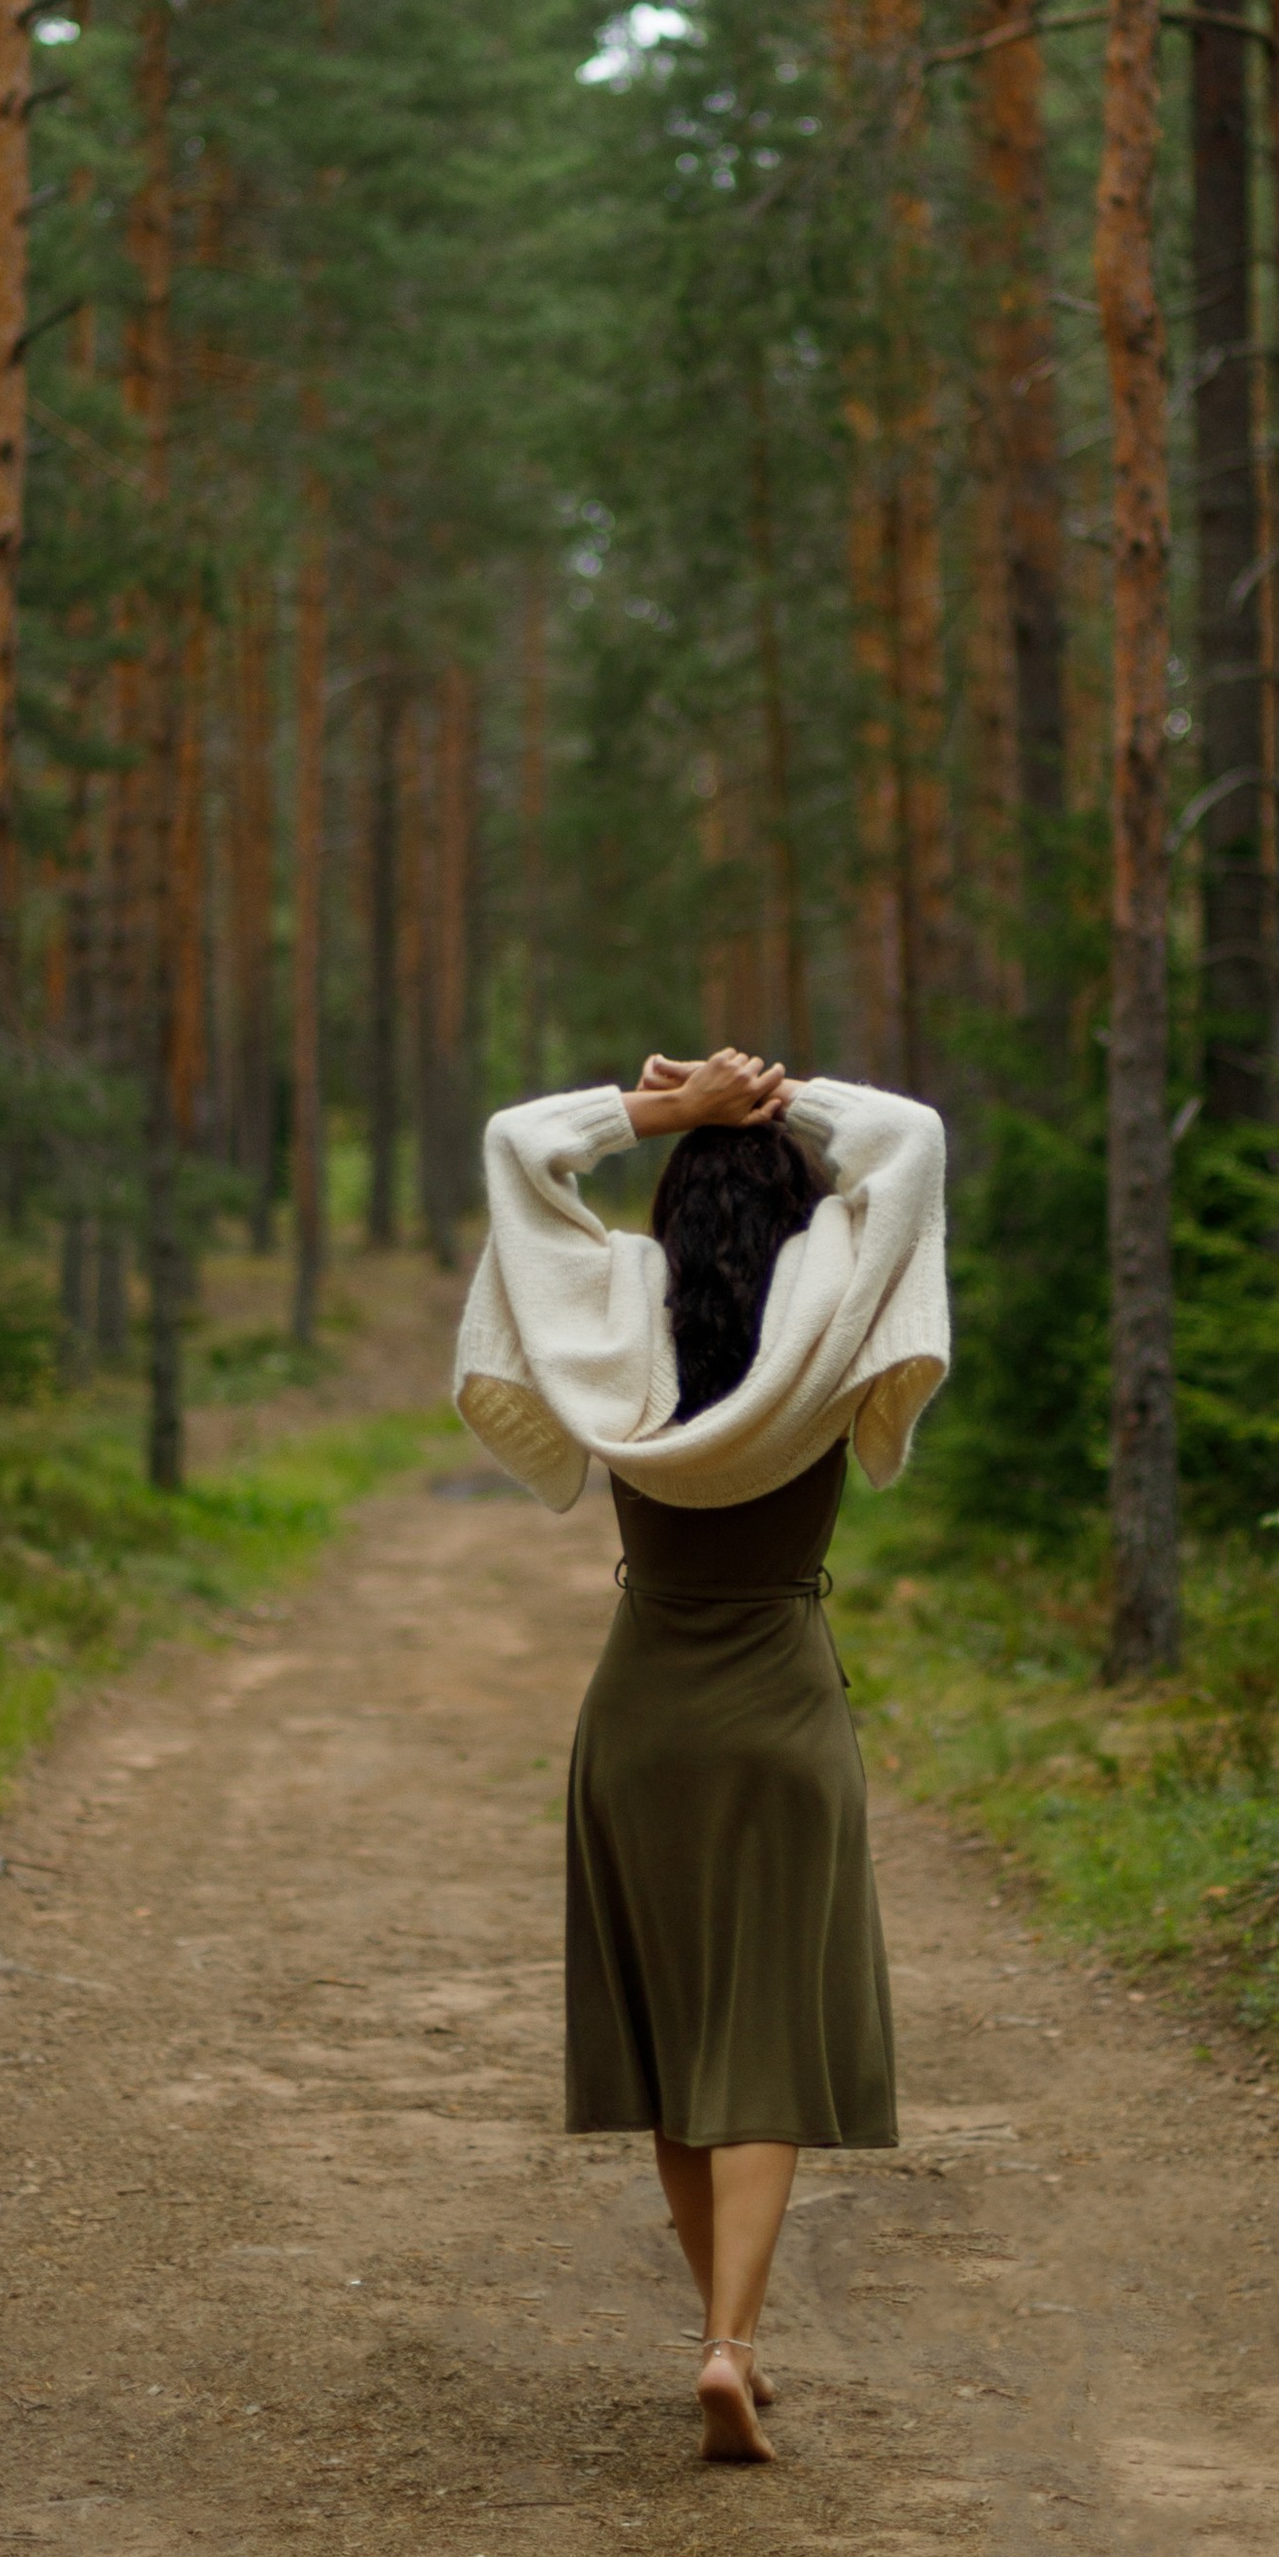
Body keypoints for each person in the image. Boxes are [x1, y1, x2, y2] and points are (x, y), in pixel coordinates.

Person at [453, 1046, 948, 2461]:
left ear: (673, 1205)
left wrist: (665, 1106)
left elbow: (513, 1142)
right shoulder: (834, 1315)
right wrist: (785, 1095)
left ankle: (722, 2336)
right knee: (766, 2035)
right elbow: (909, 1136)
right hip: (786, 1713)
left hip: (643, 1715)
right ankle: (732, 2339)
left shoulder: (613, 1319)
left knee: (676, 2037)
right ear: (802, 1209)